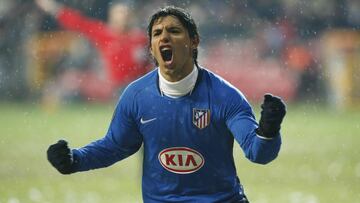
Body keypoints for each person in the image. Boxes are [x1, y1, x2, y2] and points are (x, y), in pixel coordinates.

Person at [47, 6, 286, 203]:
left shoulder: (226, 96)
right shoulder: (135, 96)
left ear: (194, 42)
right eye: (157, 33)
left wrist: (268, 131)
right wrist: (75, 160)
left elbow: (258, 153)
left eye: (174, 31)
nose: (164, 37)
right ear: (151, 48)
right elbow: (115, 146)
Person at [35, 0, 150, 100]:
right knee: (72, 80)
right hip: (115, 89)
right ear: (112, 16)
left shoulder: (142, 39)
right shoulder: (105, 34)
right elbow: (78, 22)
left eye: (125, 13)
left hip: (138, 88)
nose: (123, 17)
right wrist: (51, 6)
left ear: (131, 16)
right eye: (119, 13)